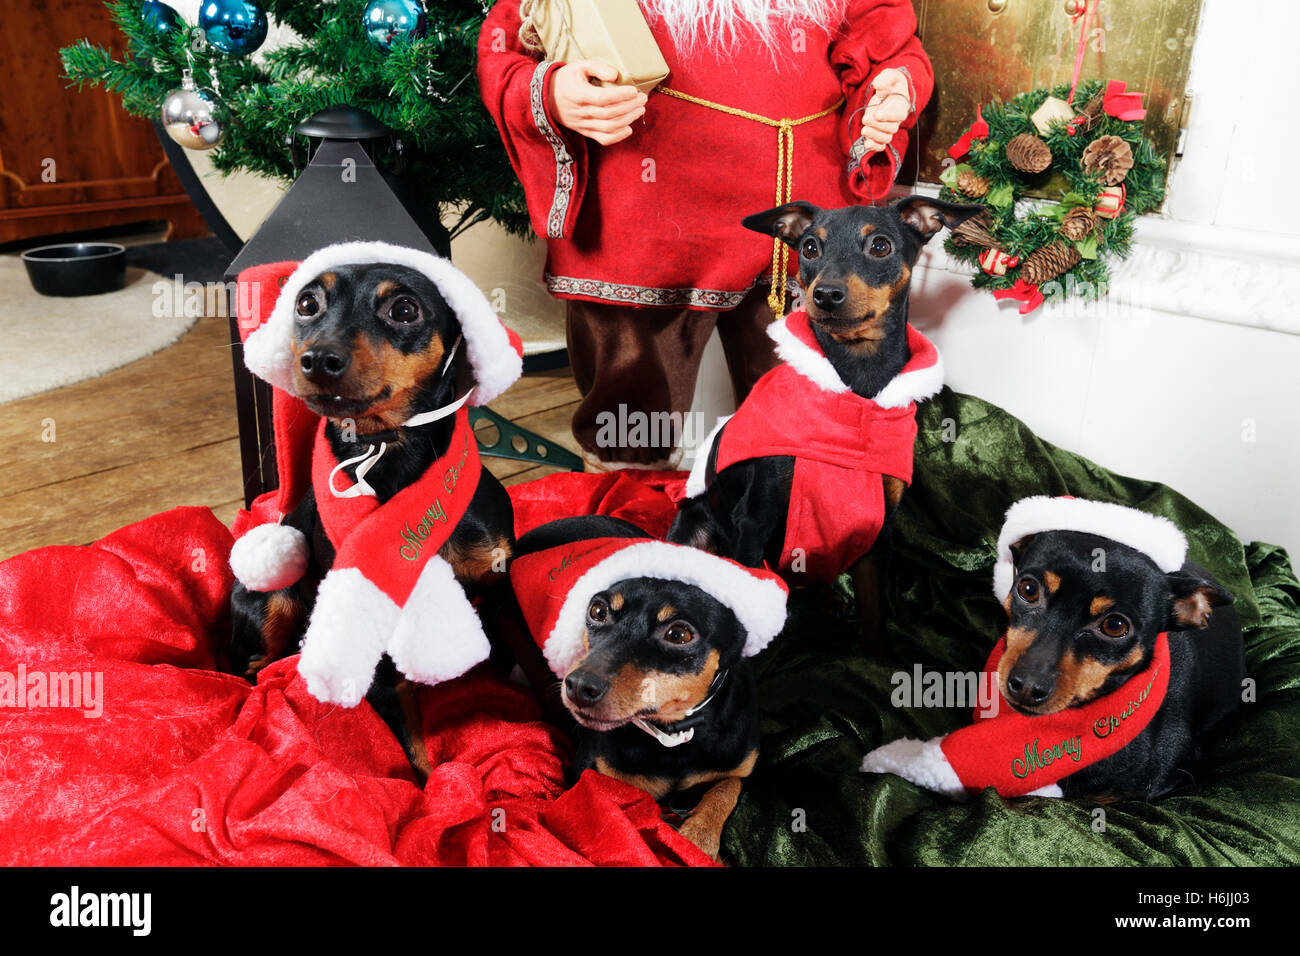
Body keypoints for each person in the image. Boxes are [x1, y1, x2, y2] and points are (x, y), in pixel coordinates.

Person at [477, 0, 932, 469]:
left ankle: (786, 523)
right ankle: (629, 524)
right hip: (640, 222)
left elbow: (888, 41)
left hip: (796, 224)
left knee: (802, 423)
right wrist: (552, 92)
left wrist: (896, 86)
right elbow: (509, 42)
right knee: (629, 423)